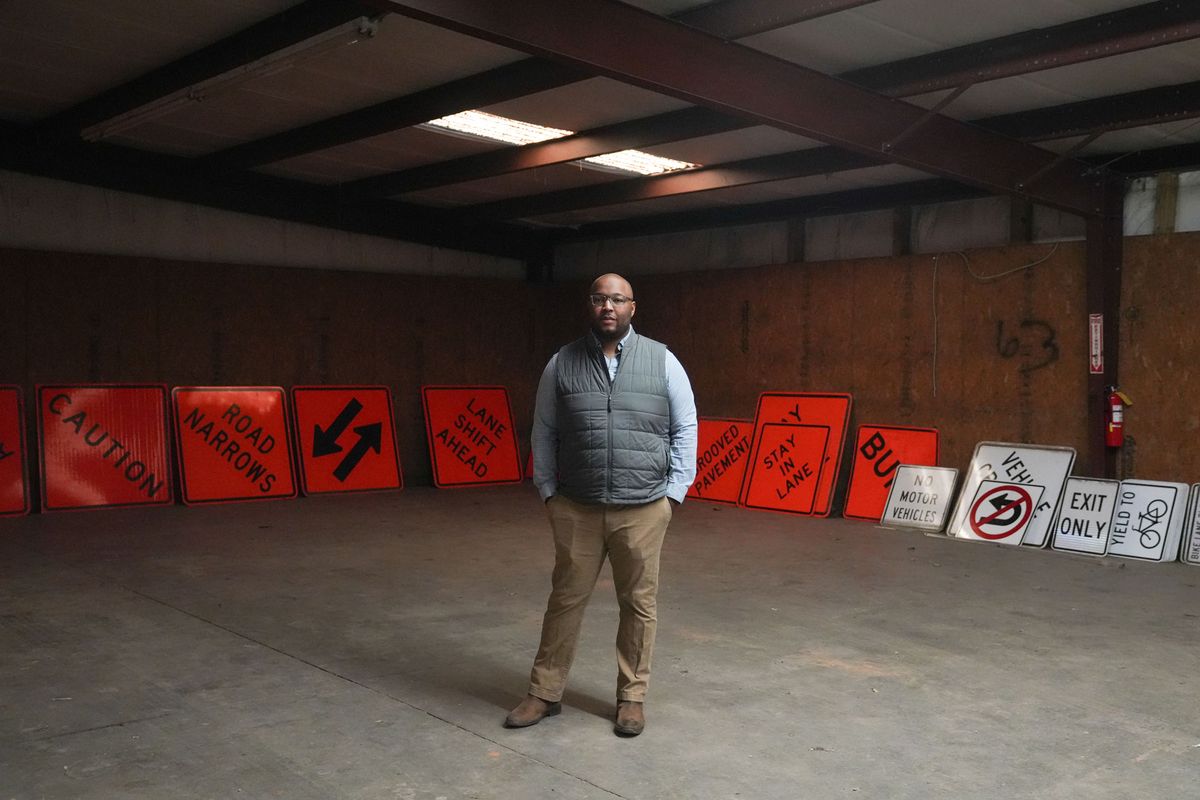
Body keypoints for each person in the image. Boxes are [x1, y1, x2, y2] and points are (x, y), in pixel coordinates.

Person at [505, 273, 697, 737]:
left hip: (644, 507)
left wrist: (674, 492)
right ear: (589, 307)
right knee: (565, 601)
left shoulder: (663, 360)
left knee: (639, 605)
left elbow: (685, 426)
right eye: (598, 299)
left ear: (633, 307)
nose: (607, 306)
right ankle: (544, 693)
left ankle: (631, 698)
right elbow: (544, 430)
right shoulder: (561, 363)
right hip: (577, 505)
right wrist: (548, 490)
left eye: (617, 299)